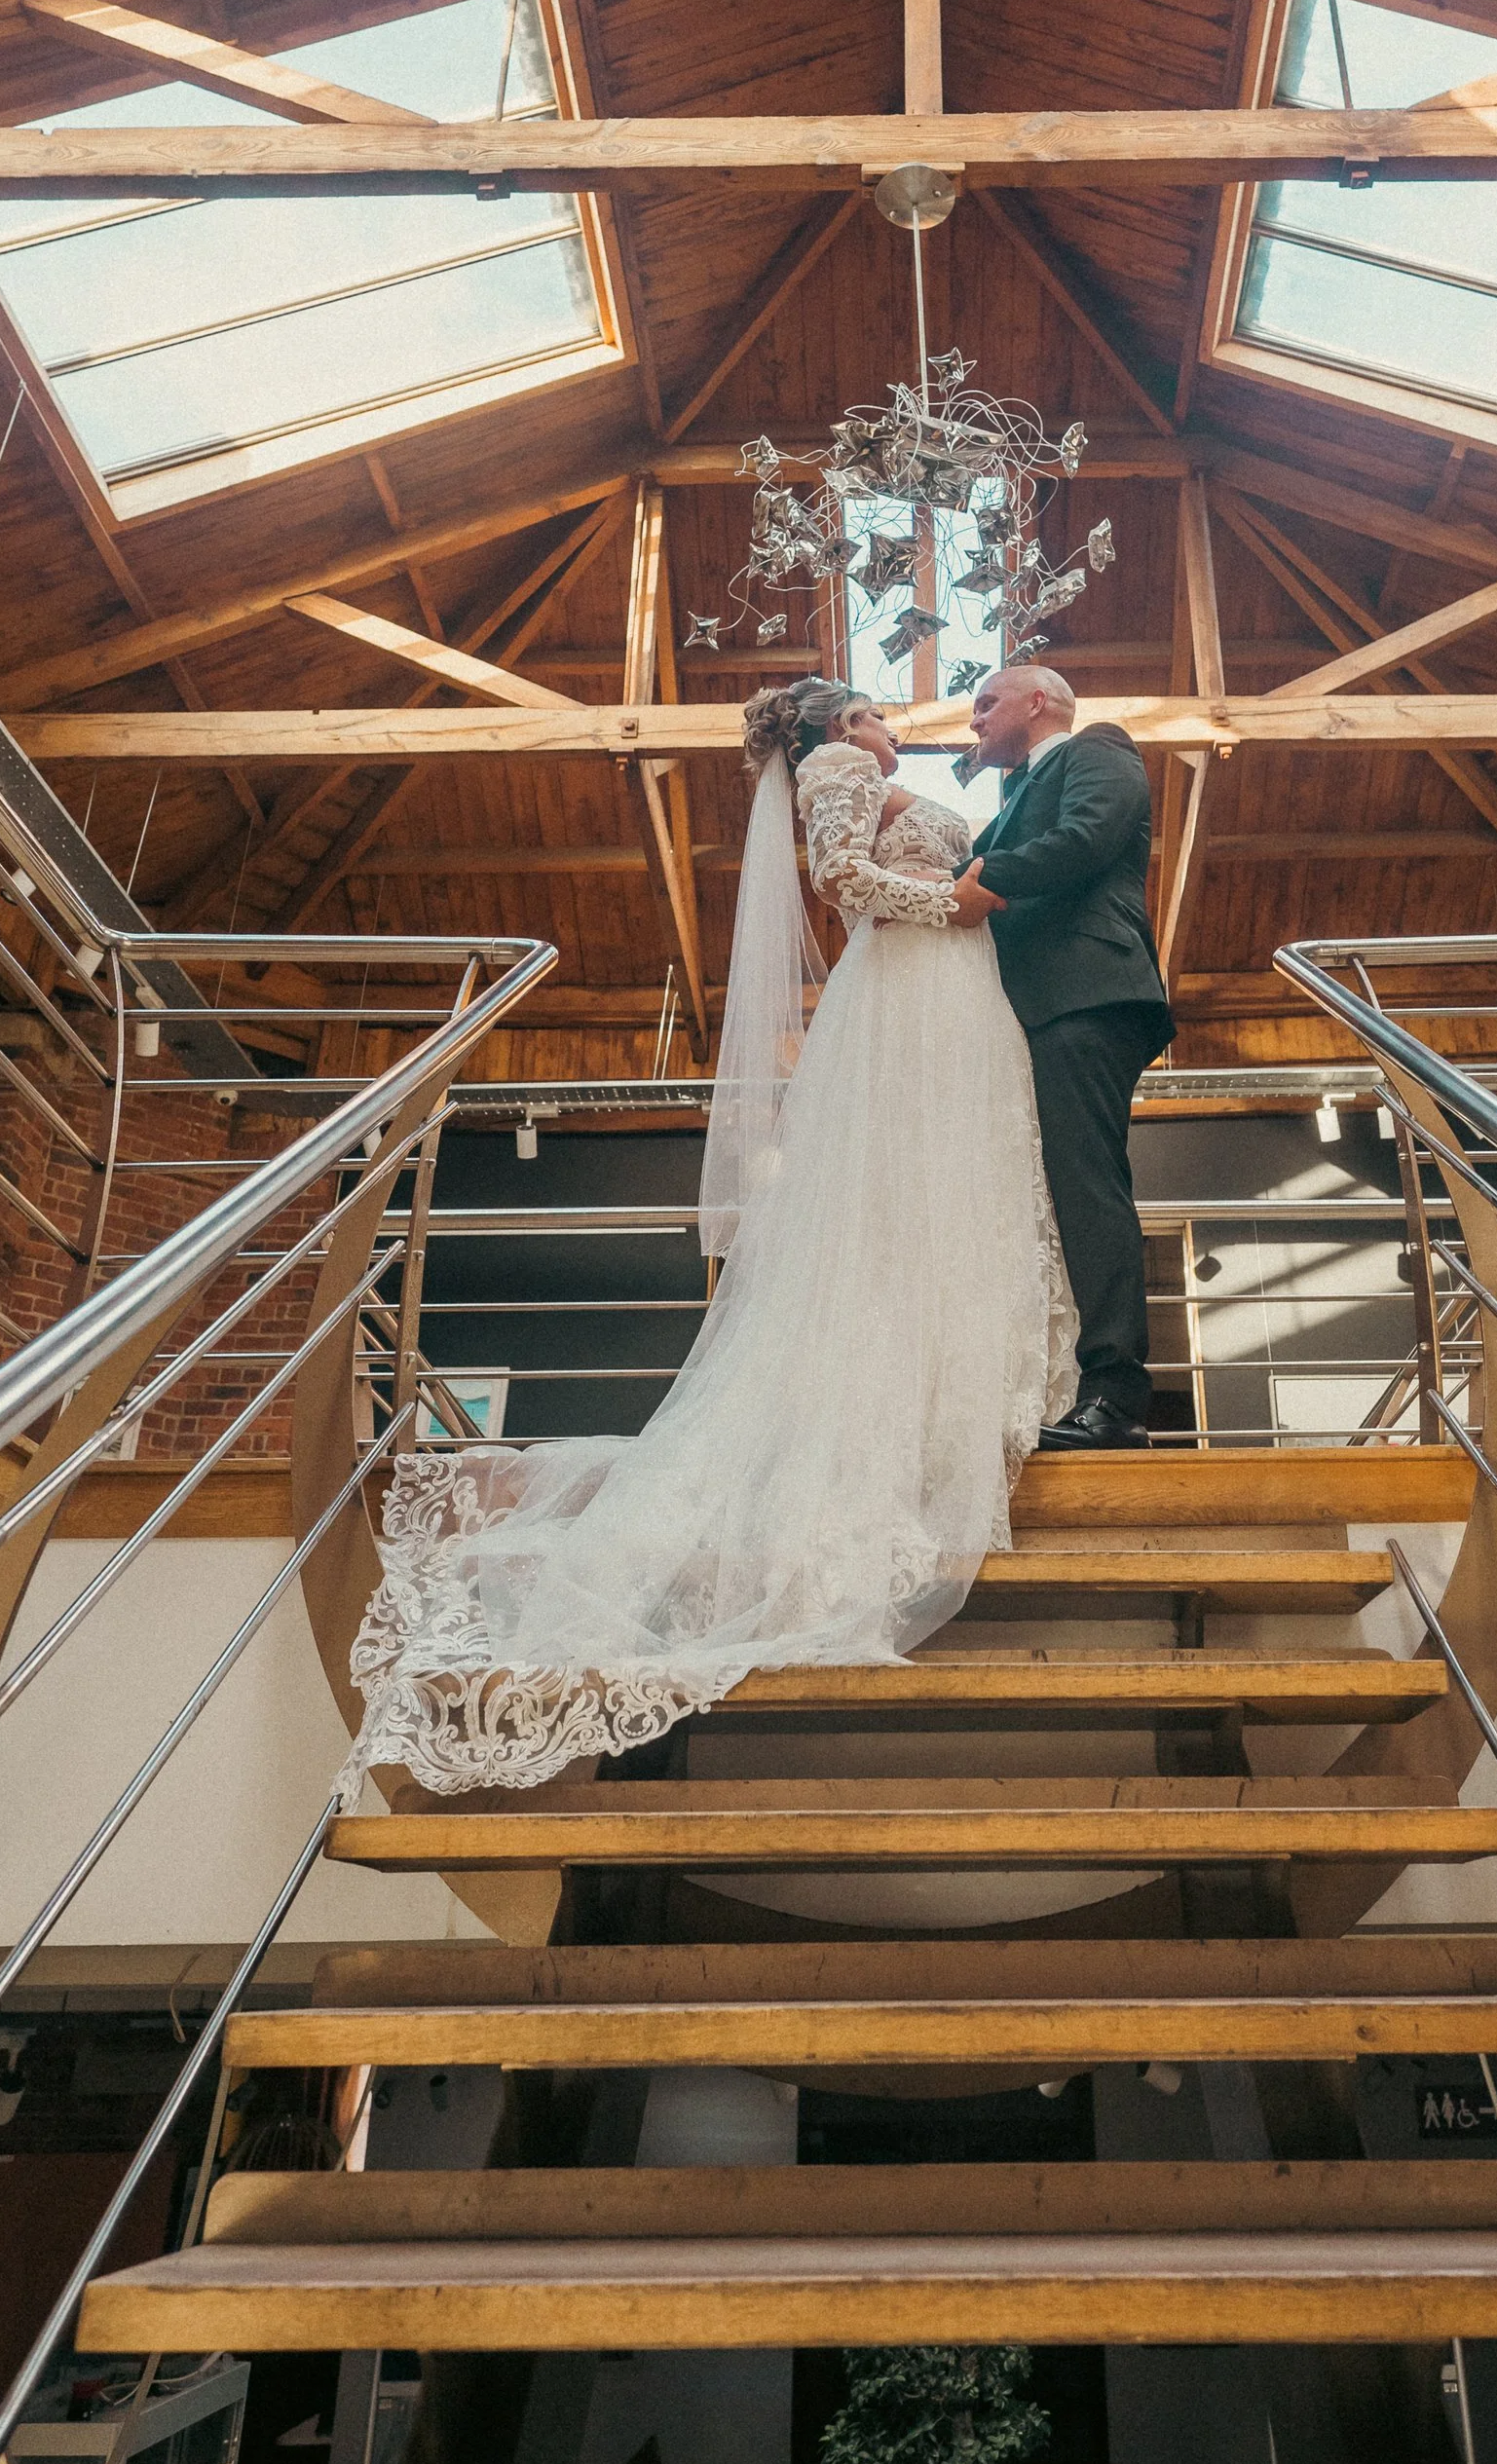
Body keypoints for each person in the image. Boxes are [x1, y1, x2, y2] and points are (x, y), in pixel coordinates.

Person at [342, 676, 1075, 1797]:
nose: (896, 728)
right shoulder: (838, 771)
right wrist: (956, 906)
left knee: (945, 1195)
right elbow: (839, 881)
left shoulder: (883, 778)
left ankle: (944, 1394)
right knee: (899, 1200)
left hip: (955, 994)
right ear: (842, 724)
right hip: (915, 981)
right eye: (880, 712)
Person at [956, 664, 1175, 1452]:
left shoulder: (1099, 751)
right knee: (1052, 1200)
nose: (974, 721)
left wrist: (981, 880)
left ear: (1037, 702)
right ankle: (1060, 1383)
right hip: (1031, 1016)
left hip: (1087, 997)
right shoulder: (1009, 799)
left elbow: (1087, 840)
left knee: (1087, 1189)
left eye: (986, 703)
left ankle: (1116, 1397)